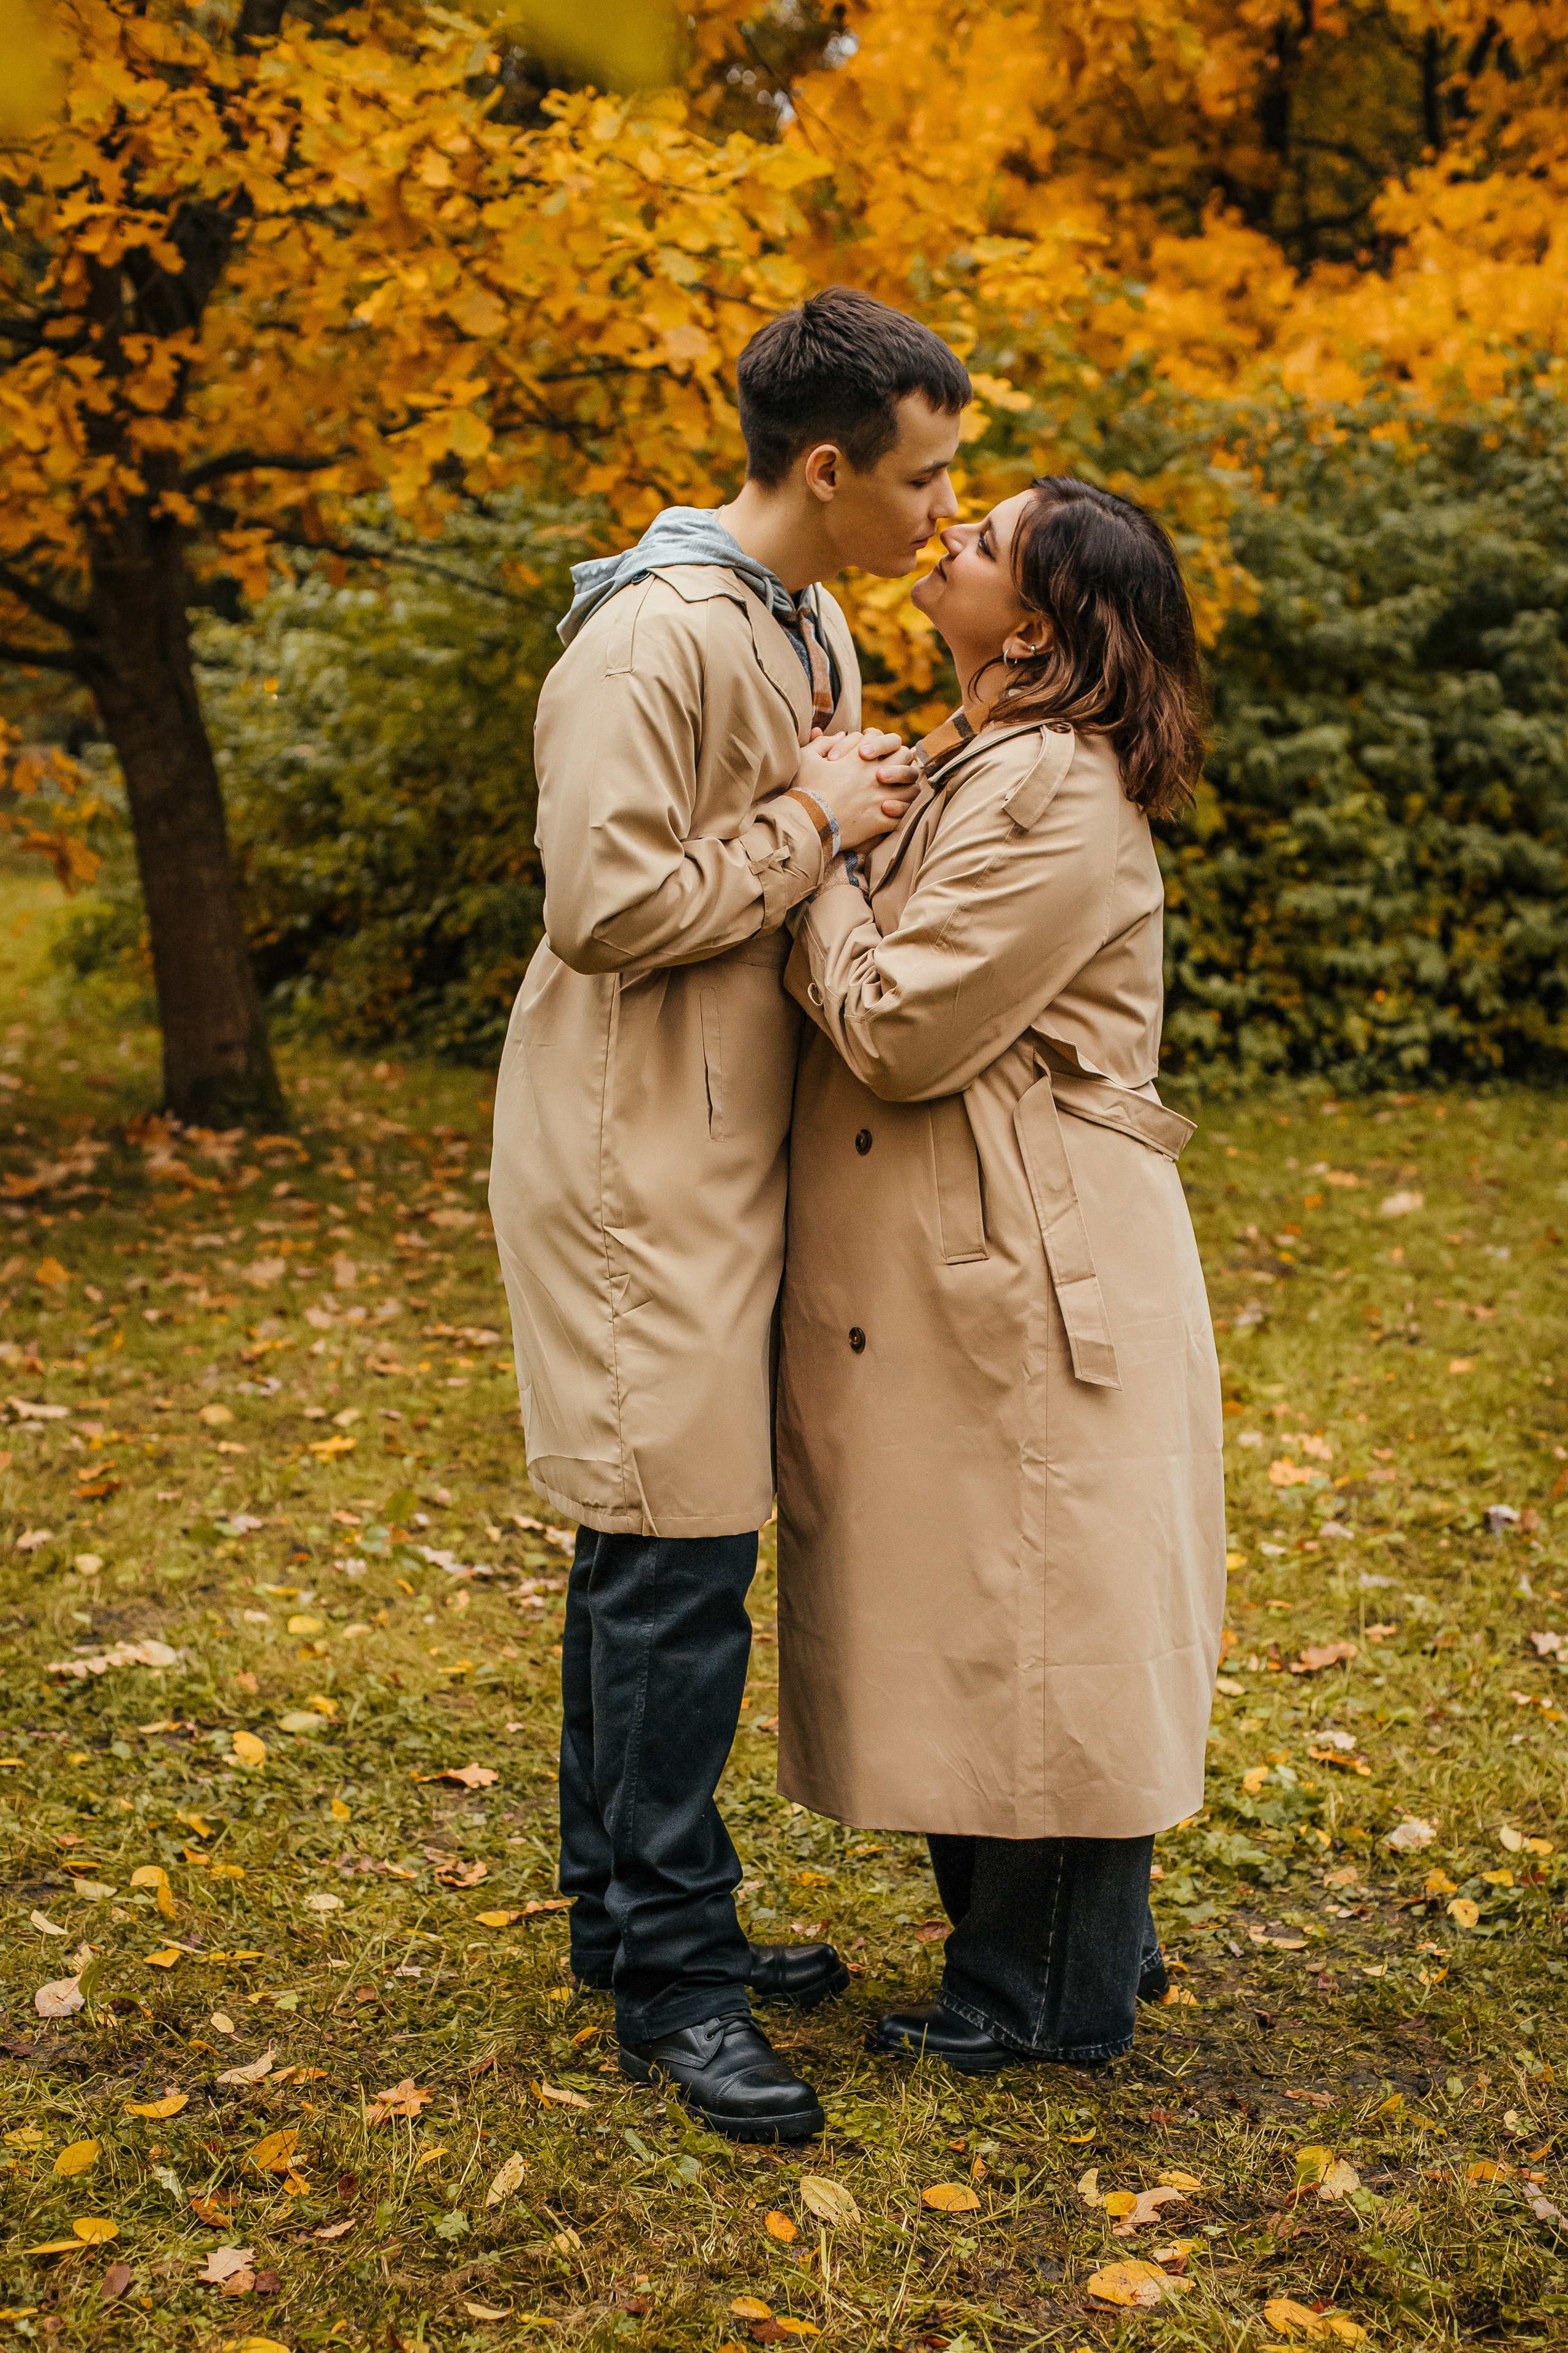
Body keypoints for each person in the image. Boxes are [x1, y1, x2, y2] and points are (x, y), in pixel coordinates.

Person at [488, 288, 971, 2140]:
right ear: (832, 466)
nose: (945, 510)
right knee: (676, 1548)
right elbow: (602, 910)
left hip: (737, 1142)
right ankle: (677, 1982)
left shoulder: (812, 617)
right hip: (637, 1153)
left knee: (656, 1546)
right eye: (925, 477)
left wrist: (861, 812)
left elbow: (792, 839)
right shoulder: (650, 637)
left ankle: (627, 1918)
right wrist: (817, 827)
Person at [774, 477, 1227, 2074]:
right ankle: (1057, 1950)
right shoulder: (996, 760)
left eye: (981, 545)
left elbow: (900, 1022)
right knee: (994, 1595)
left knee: (1044, 1607)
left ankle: (1046, 1992)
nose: (947, 539)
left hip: (1032, 1252)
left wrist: (816, 858)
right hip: (990, 1237)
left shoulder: (1052, 785)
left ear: (1033, 626)